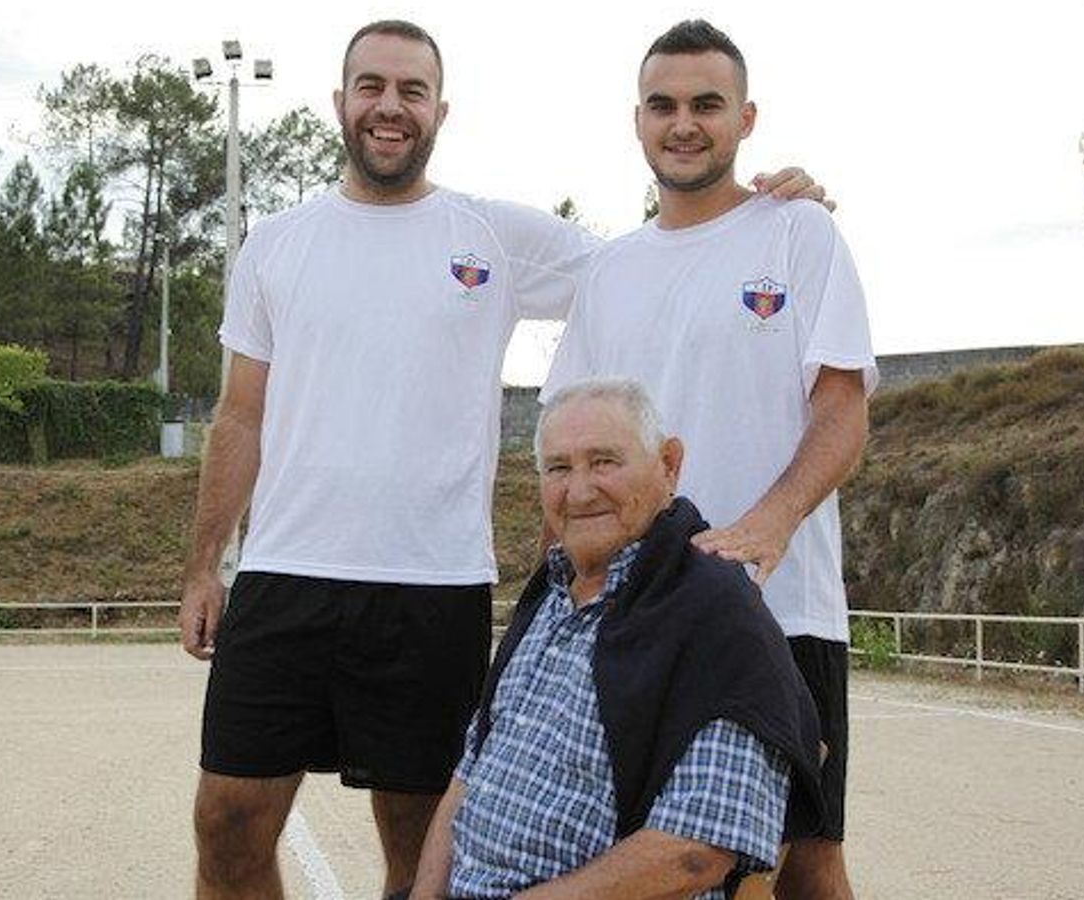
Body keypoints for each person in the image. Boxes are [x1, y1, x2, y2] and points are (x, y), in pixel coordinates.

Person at [179, 19, 829, 899]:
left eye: (412, 91)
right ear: (341, 103)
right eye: (372, 86)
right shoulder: (276, 244)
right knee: (226, 822)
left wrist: (765, 218)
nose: (390, 107)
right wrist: (203, 566)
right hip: (285, 573)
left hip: (433, 586)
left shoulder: (493, 235)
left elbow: (662, 258)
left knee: (423, 849)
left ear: (439, 110)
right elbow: (241, 415)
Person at [542, 20, 877, 900]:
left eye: (706, 105)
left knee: (804, 861)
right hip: (635, 616)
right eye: (664, 105)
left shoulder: (799, 233)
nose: (683, 123)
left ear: (746, 118)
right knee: (647, 862)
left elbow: (843, 411)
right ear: (638, 120)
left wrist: (767, 526)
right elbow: (569, 450)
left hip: (783, 612)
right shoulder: (609, 272)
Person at [409, 378, 826, 900]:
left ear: (669, 465)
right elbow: (470, 777)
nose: (579, 491)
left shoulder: (716, 616)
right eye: (559, 468)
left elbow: (696, 852)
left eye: (604, 462)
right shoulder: (548, 597)